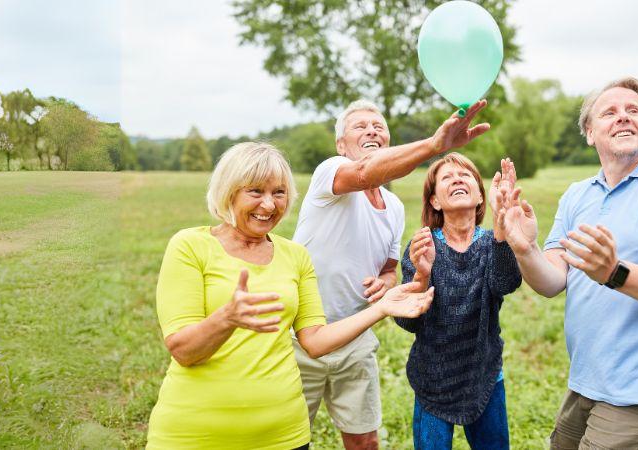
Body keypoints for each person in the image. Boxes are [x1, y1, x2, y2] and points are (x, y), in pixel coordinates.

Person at [147, 142, 434, 450]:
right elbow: (183, 350)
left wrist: (381, 309)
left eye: (279, 193)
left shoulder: (295, 255)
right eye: (255, 191)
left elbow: (315, 341)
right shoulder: (190, 246)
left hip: (284, 435)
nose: (269, 205)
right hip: (195, 435)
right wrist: (226, 318)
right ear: (228, 191)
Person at [495, 77, 638, 449]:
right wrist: (525, 247)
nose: (624, 118)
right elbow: (551, 282)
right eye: (609, 112)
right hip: (588, 381)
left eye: (634, 111)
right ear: (589, 133)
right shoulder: (577, 195)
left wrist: (615, 273)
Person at [292, 100, 490, 449]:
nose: (371, 130)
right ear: (341, 145)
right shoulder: (331, 171)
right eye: (360, 126)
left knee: (366, 441)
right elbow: (367, 171)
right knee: (289, 441)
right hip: (299, 335)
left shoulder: (394, 207)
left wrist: (382, 283)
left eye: (378, 126)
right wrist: (434, 145)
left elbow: (387, 270)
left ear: (388, 139)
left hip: (355, 336)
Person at [396, 154, 522, 450]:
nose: (457, 179)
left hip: (484, 375)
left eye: (465, 175)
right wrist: (421, 275)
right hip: (432, 380)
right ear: (435, 201)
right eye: (447, 177)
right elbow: (406, 321)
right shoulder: (423, 247)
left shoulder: (493, 242)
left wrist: (502, 231)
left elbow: (506, 284)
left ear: (480, 196)